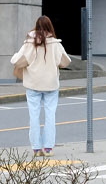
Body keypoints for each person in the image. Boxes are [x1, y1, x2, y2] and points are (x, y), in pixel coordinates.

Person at [11, 16, 70, 156]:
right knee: (50, 116)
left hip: (33, 84)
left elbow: (17, 61)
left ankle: (36, 148)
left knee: (34, 116)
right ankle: (48, 148)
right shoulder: (55, 44)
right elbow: (65, 62)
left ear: (36, 26)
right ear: (50, 27)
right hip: (51, 84)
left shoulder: (29, 43)